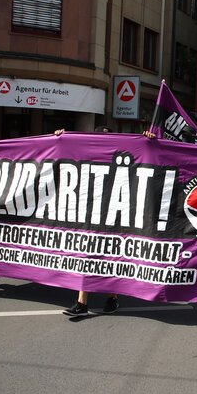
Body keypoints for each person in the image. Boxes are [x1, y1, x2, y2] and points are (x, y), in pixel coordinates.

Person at [60, 127, 121, 317]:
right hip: (90, 215)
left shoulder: (119, 155)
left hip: (115, 216)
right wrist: (61, 138)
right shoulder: (86, 154)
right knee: (87, 256)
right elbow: (61, 152)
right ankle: (81, 303)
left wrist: (148, 138)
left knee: (112, 258)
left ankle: (113, 297)